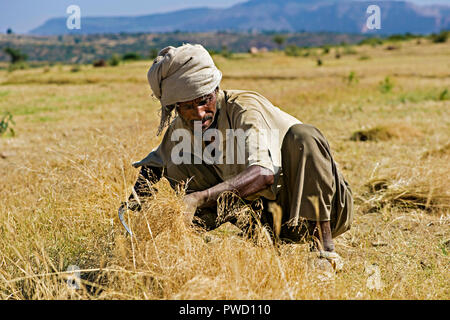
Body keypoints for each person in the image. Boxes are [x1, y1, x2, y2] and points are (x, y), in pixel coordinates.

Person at [121, 44, 353, 256]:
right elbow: (154, 165)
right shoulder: (182, 126)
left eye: (204, 101)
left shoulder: (243, 108)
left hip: (325, 210)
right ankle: (260, 243)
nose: (199, 113)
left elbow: (264, 174)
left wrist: (198, 199)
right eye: (188, 107)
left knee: (304, 135)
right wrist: (136, 209)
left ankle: (325, 252)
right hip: (273, 220)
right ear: (176, 107)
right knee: (178, 161)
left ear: (215, 90)